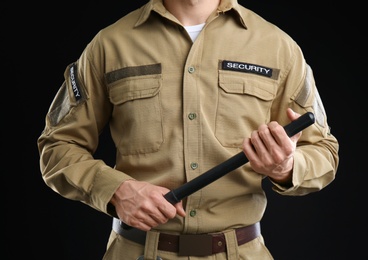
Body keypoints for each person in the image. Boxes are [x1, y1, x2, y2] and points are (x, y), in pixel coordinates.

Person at [37, 0, 339, 259]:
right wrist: (116, 190)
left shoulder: (278, 48)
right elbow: (58, 145)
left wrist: (286, 166)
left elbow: (324, 151)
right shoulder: (108, 45)